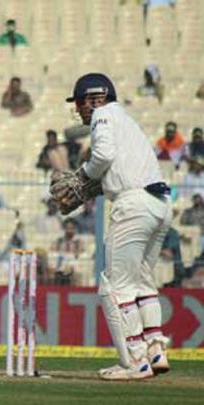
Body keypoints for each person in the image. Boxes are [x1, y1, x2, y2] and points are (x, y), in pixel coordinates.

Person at [62, 73, 172, 380]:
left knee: (114, 287)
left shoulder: (103, 115)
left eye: (80, 102)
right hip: (161, 204)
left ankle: (135, 361)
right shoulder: (126, 120)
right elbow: (118, 166)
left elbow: (103, 155)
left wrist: (82, 176)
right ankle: (155, 349)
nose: (78, 109)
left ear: (93, 98)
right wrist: (98, 183)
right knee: (142, 281)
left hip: (133, 204)